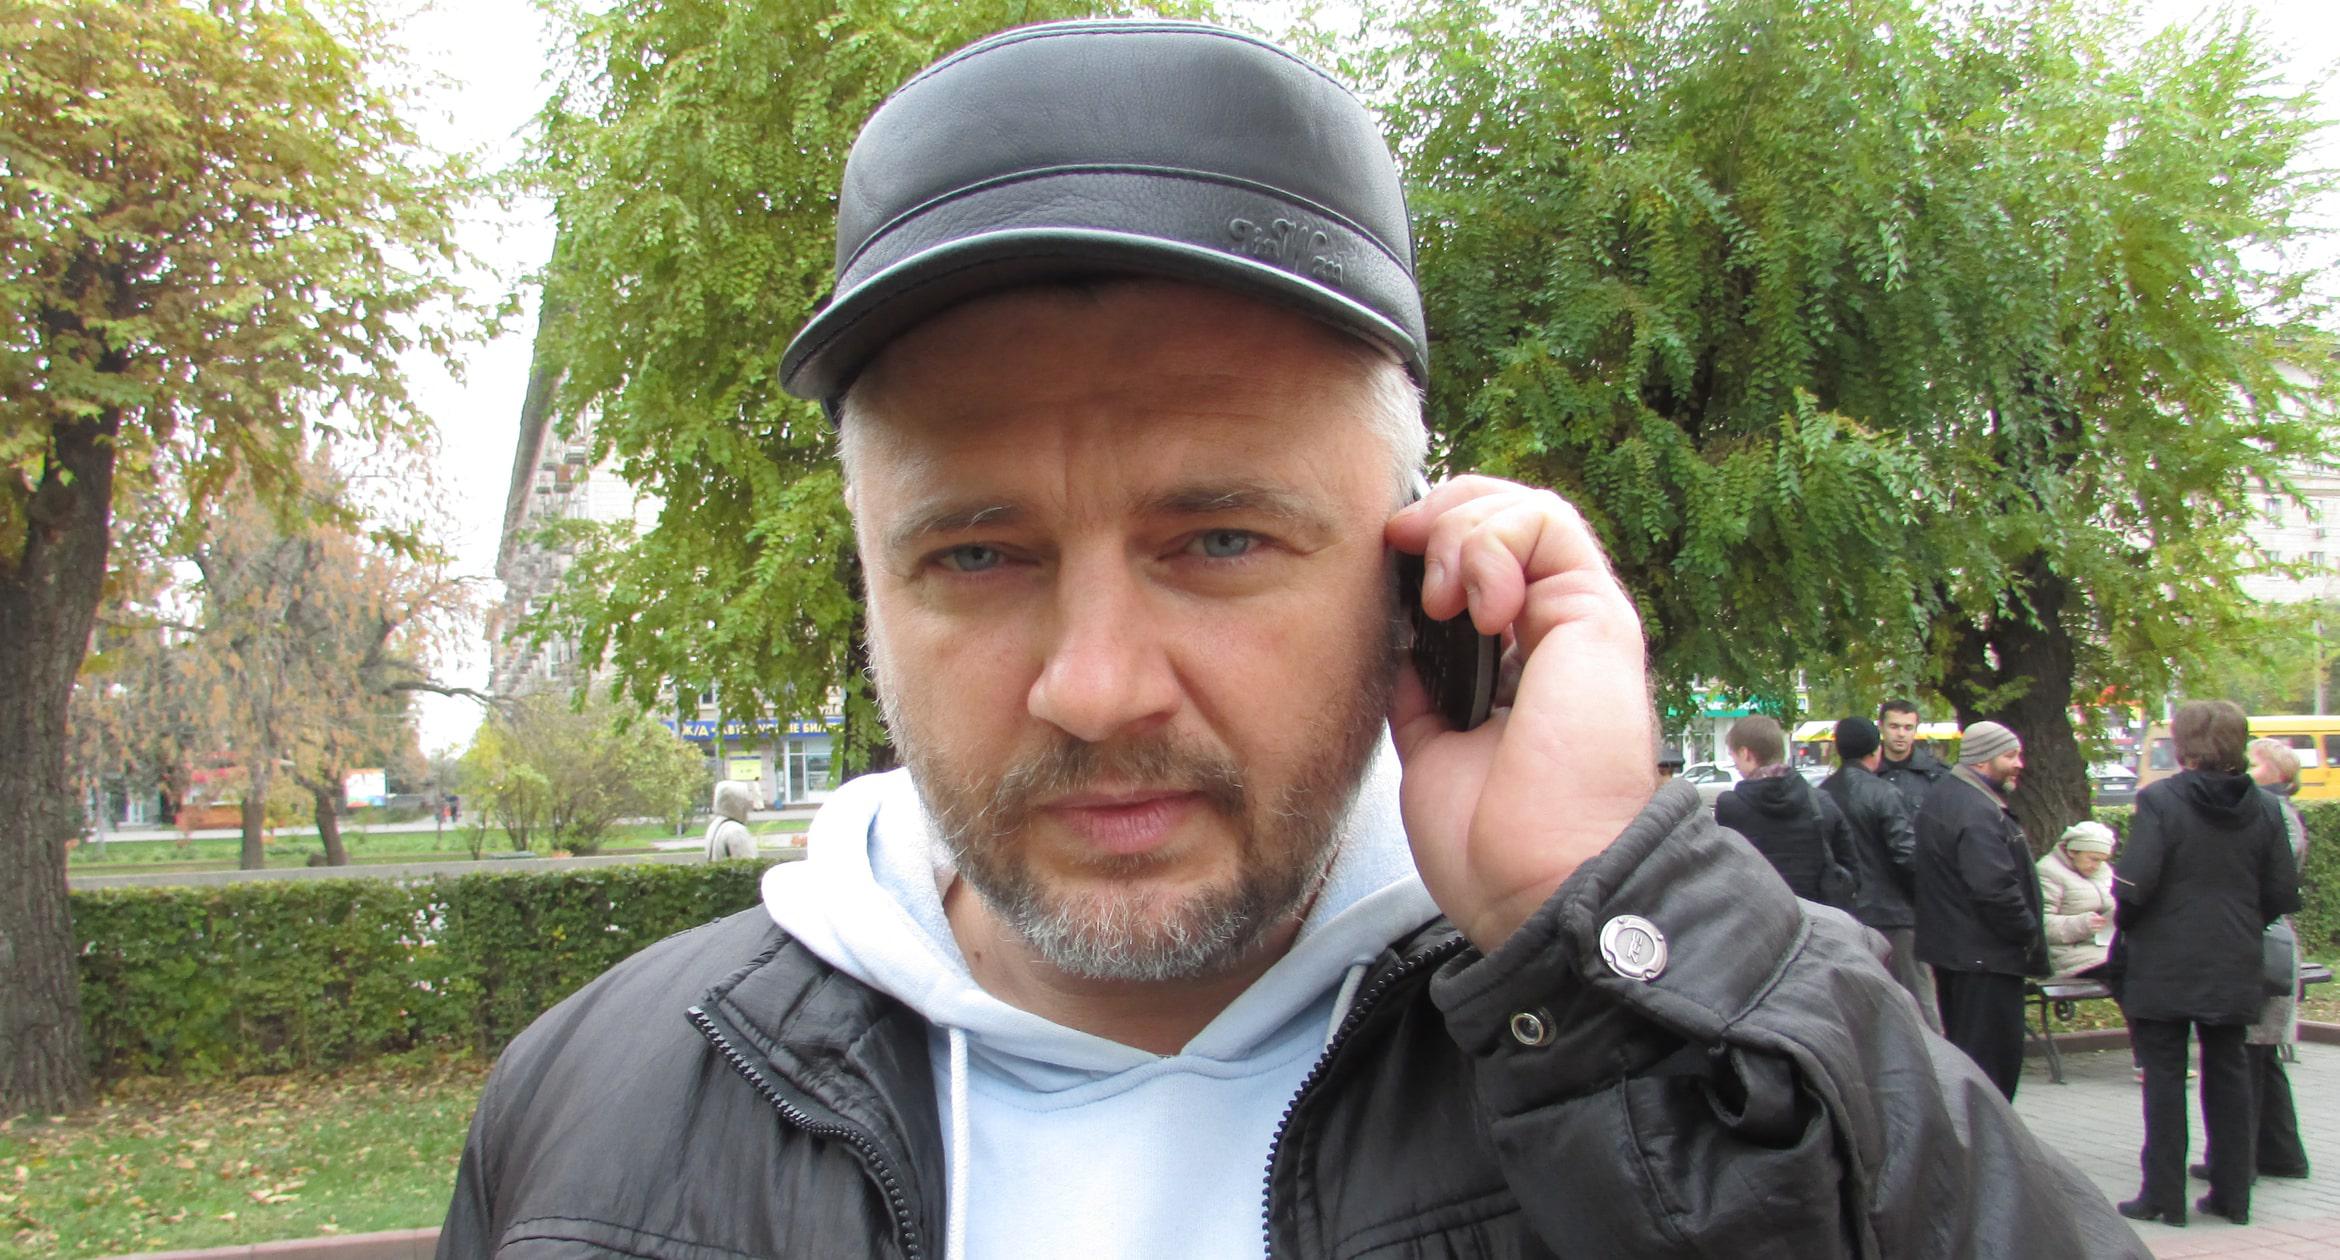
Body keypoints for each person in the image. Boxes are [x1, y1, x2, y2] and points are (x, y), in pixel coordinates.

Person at [436, 21, 2143, 1258]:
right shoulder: (595, 1118)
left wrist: (1603, 936)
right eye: (976, 553)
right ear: (875, 583)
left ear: (1417, 574)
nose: (1098, 687)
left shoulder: (1691, 1050)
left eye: (1221, 541)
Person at [2112, 701, 2299, 1227]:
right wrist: (2241, 923)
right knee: (2229, 1073)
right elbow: (2281, 891)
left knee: (2164, 1077)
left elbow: (2135, 884)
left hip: (2164, 957)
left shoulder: (2160, 800)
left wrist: (2132, 924)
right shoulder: (2265, 807)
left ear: (2183, 743)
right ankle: (2232, 1195)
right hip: (2233, 955)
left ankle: (2163, 1196)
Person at [2190, 736, 2314, 1188]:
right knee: (2261, 1054)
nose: (2244, 769)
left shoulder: (2269, 812)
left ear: (2277, 773)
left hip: (2256, 943)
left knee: (2245, 1055)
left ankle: (2236, 1160)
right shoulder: (2275, 812)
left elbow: (2266, 881)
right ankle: (2280, 1152)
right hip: (2264, 940)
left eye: (2254, 764)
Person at [1914, 719, 2048, 1100]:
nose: (2019, 764)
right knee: (1991, 1070)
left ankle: (1971, 1134)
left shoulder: (1948, 798)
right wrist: (2027, 931)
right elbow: (1993, 888)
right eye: (2010, 756)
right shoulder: (1976, 811)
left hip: (1961, 953)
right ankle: (1987, 1137)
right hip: (1986, 958)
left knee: (1970, 1063)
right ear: (1981, 760)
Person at [1821, 716, 1936, 1029]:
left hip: (1845, 915)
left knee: (1860, 1007)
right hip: (1894, 914)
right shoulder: (1884, 793)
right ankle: (1934, 1057)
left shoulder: (1822, 794)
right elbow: (1906, 855)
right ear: (1876, 751)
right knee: (1918, 1003)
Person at [1714, 715, 1857, 908]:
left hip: (1756, 915)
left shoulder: (1730, 807)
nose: (1736, 766)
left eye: (1734, 757)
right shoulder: (1821, 802)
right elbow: (1851, 868)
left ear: (1745, 753)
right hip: (1814, 915)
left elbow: (1720, 869)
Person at [2038, 821, 2117, 977]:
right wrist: (2083, 924)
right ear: (2072, 851)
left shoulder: (2103, 870)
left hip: (2103, 946)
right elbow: (2041, 925)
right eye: (2093, 859)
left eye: (2102, 860)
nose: (2097, 866)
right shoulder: (2047, 871)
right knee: (2125, 970)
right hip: (2066, 953)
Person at [1878, 697, 1953, 815]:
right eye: (1894, 726)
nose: (1901, 734)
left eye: (1908, 728)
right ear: (1881, 726)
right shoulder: (1864, 771)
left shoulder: (1938, 775)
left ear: (1916, 729)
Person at [704, 780, 758, 861]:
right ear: (737, 802)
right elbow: (749, 862)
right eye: (745, 800)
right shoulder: (737, 831)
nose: (748, 805)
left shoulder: (714, 826)